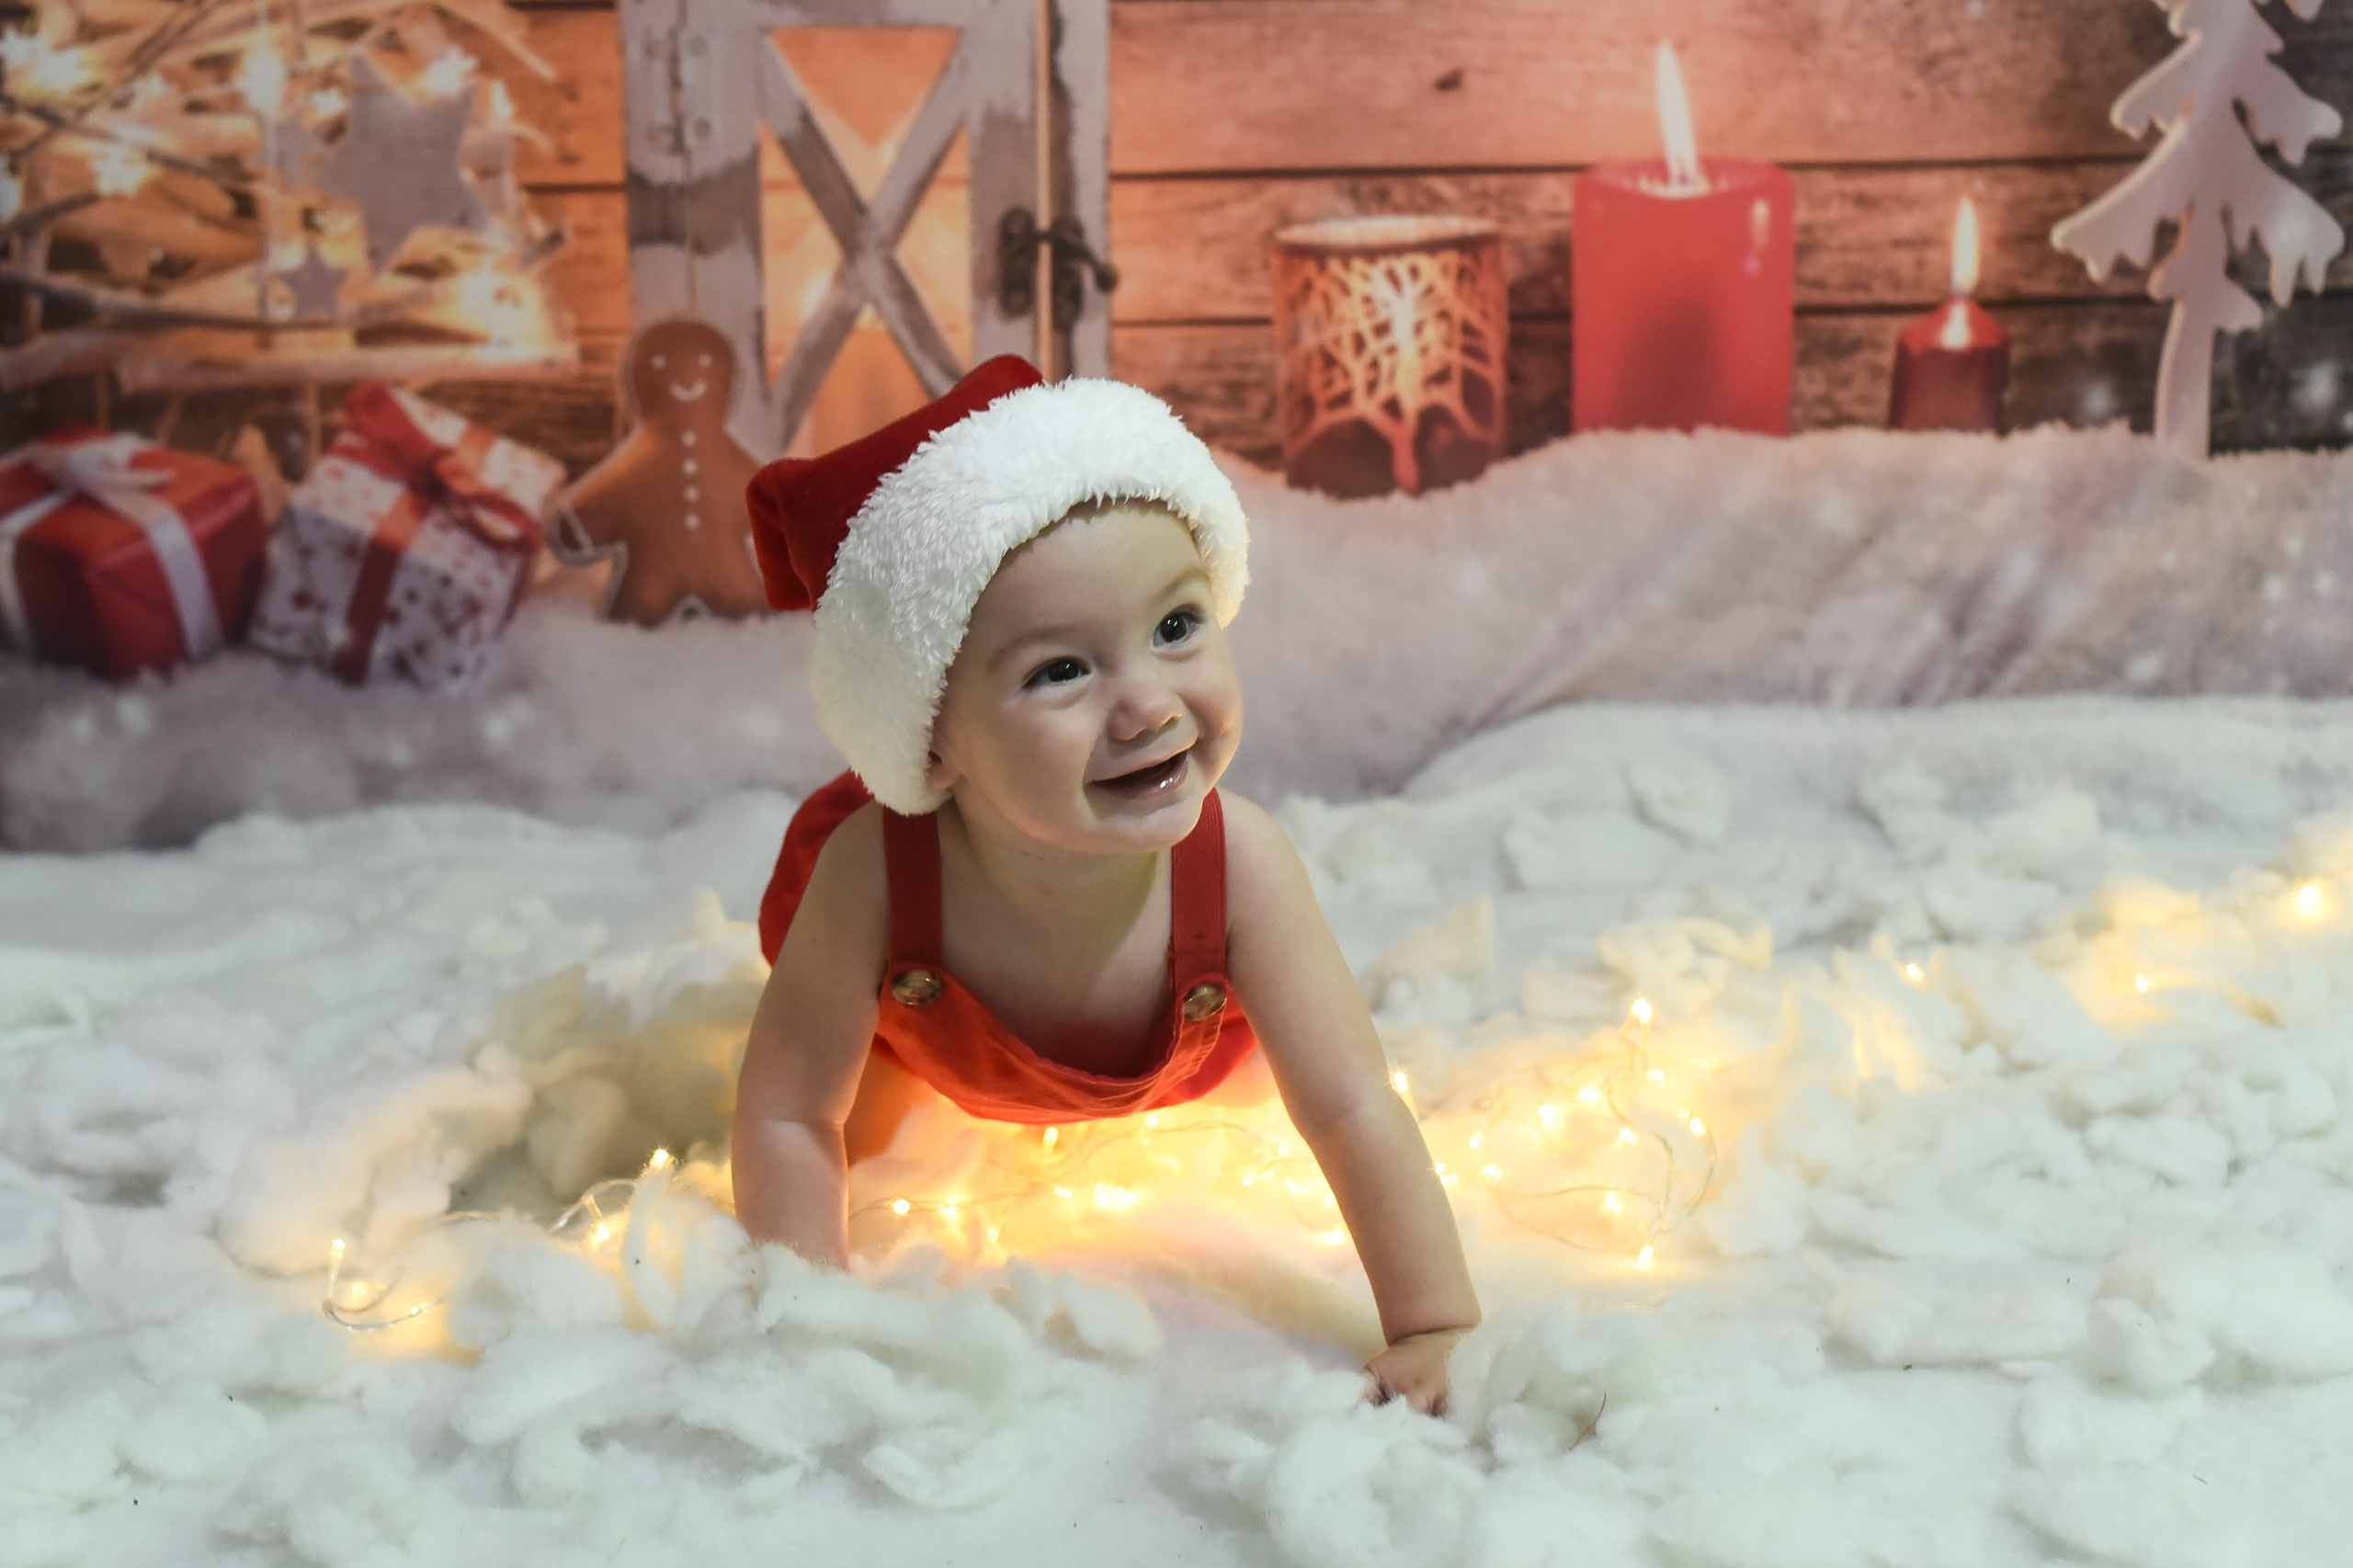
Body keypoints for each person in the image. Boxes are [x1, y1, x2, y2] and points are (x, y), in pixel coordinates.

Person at [730, 357, 1479, 1413]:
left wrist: (1436, 1323)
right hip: (940, 1051)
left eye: (1176, 626)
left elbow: (1354, 1105)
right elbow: (787, 1111)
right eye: (1059, 671)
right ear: (929, 741)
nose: (1147, 706)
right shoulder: (875, 872)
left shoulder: (1241, 864)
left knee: (1292, 1083)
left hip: (1184, 1064)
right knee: (872, 1133)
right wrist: (808, 1327)